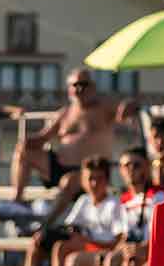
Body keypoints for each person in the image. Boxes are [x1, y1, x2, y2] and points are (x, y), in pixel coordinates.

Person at [8, 67, 117, 213]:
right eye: (75, 85)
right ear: (69, 89)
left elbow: (124, 108)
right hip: (59, 166)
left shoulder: (104, 108)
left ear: (93, 87)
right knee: (23, 151)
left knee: (68, 181)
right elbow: (43, 138)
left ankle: (47, 225)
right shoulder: (65, 113)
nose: (79, 89)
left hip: (89, 170)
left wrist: (130, 104)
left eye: (84, 84)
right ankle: (18, 202)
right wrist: (25, 141)